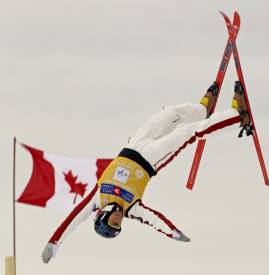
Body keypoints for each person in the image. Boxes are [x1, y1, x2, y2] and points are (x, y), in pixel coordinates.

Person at [42, 81, 252, 263]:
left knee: (169, 115)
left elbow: (72, 219)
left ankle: (202, 109)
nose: (118, 218)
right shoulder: (132, 209)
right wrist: (173, 232)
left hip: (133, 145)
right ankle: (237, 117)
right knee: (188, 133)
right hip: (150, 160)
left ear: (102, 217)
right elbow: (154, 220)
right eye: (119, 223)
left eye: (113, 221)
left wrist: (54, 242)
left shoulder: (96, 200)